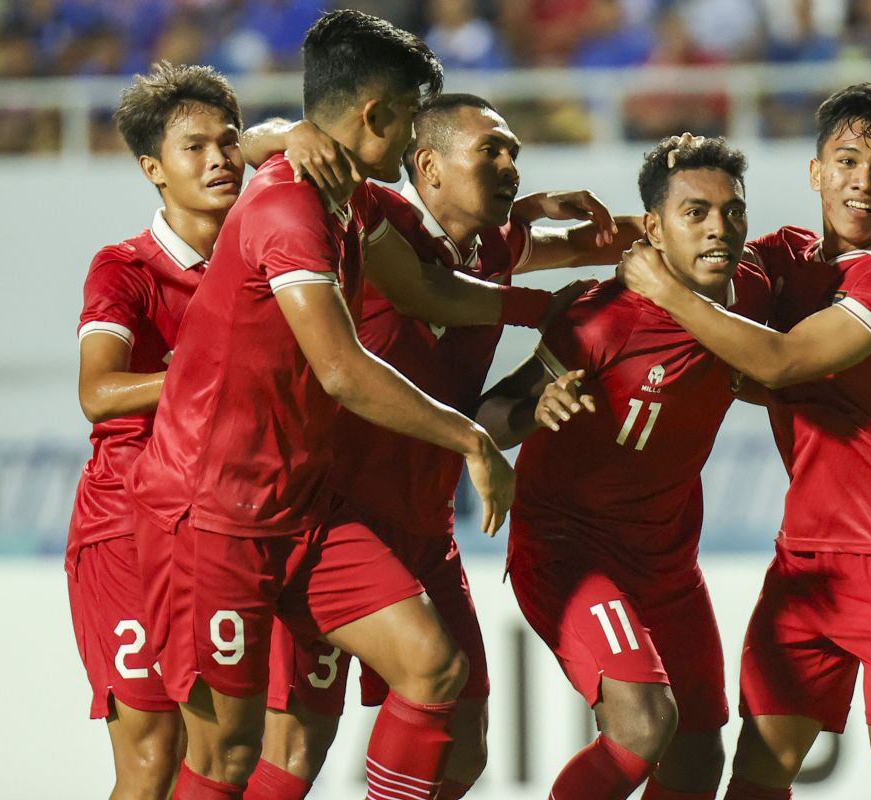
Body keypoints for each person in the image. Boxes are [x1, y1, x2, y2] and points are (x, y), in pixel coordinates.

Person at [123, 12, 519, 800]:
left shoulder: (351, 201)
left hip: (301, 509)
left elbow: (429, 281)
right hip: (213, 515)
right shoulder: (284, 209)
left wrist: (553, 302)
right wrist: (472, 439)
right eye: (407, 118)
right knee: (228, 753)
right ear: (376, 115)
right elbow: (341, 370)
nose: (413, 142)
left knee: (432, 668)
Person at [242, 92, 644, 800]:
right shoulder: (367, 219)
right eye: (491, 149)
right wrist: (289, 133)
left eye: (514, 150)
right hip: (333, 520)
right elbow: (251, 143)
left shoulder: (494, 246)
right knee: (298, 744)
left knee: (464, 748)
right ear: (427, 165)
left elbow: (604, 242)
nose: (511, 163)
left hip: (426, 527)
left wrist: (705, 232)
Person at [617, 83, 871, 800]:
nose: (863, 180)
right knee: (757, 772)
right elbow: (700, 250)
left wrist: (670, 297)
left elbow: (779, 361)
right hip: (806, 558)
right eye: (847, 160)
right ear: (815, 171)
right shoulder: (783, 257)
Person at [475, 136, 772, 800]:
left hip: (667, 562)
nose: (718, 229)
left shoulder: (751, 294)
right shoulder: (603, 317)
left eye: (733, 212)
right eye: (696, 213)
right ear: (655, 229)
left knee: (697, 755)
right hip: (570, 554)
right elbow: (489, 415)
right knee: (643, 726)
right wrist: (533, 411)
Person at [65, 61, 245, 800]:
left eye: (229, 142)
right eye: (194, 147)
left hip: (228, 526)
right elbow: (98, 392)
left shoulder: (266, 258)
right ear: (153, 170)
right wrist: (209, 374)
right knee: (153, 759)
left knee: (229, 749)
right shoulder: (125, 268)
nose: (218, 160)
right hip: (127, 527)